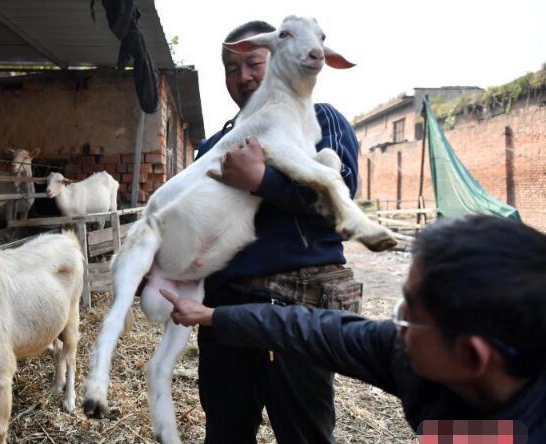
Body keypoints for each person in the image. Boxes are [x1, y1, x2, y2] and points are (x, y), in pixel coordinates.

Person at [162, 215, 546, 441]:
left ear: (471, 354)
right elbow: (314, 329)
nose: (396, 323)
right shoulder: (416, 356)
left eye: (409, 313)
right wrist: (213, 316)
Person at [194, 20, 361, 444]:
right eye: (232, 68)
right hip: (224, 316)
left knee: (304, 433)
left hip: (297, 312)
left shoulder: (321, 120)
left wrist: (261, 181)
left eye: (253, 63)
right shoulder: (216, 144)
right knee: (226, 431)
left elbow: (339, 203)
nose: (243, 76)